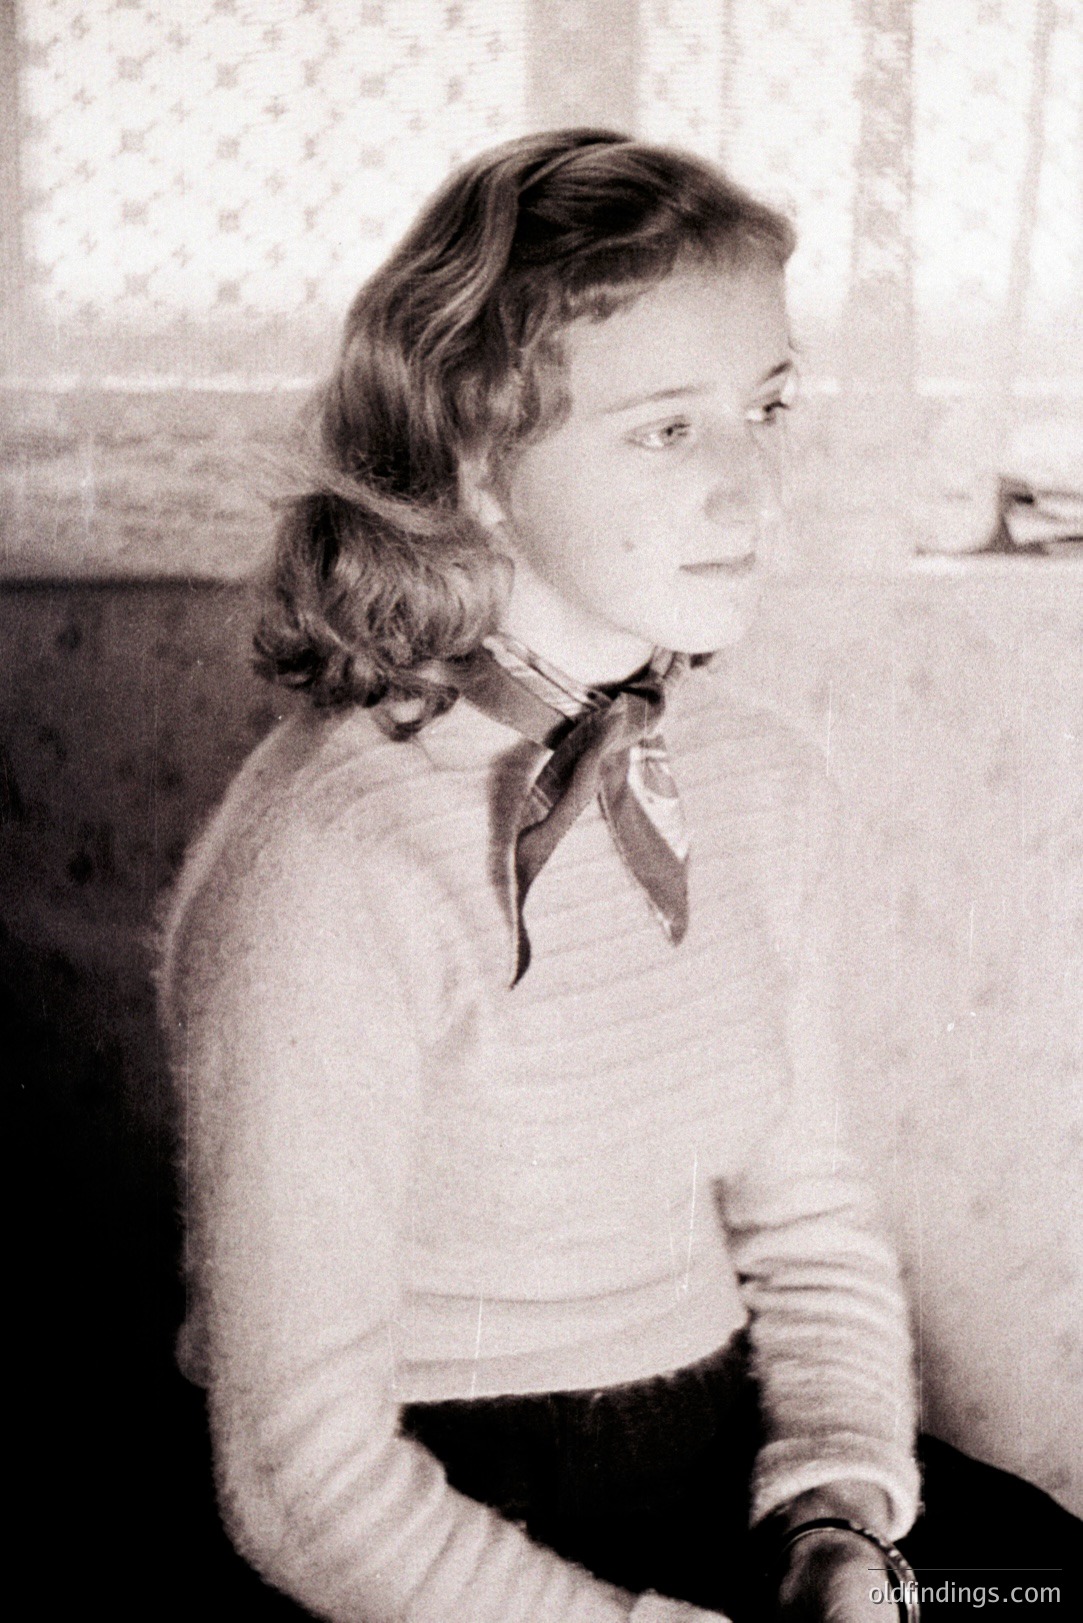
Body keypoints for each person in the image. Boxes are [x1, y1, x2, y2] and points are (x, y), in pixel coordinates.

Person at [158, 130, 1080, 1622]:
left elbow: (808, 1222)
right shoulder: (331, 860)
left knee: (1037, 1586)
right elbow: (297, 1476)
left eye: (766, 408)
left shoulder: (759, 777)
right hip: (429, 1518)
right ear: (479, 458)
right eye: (668, 430)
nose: (753, 486)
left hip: (717, 1459)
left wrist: (838, 1514)